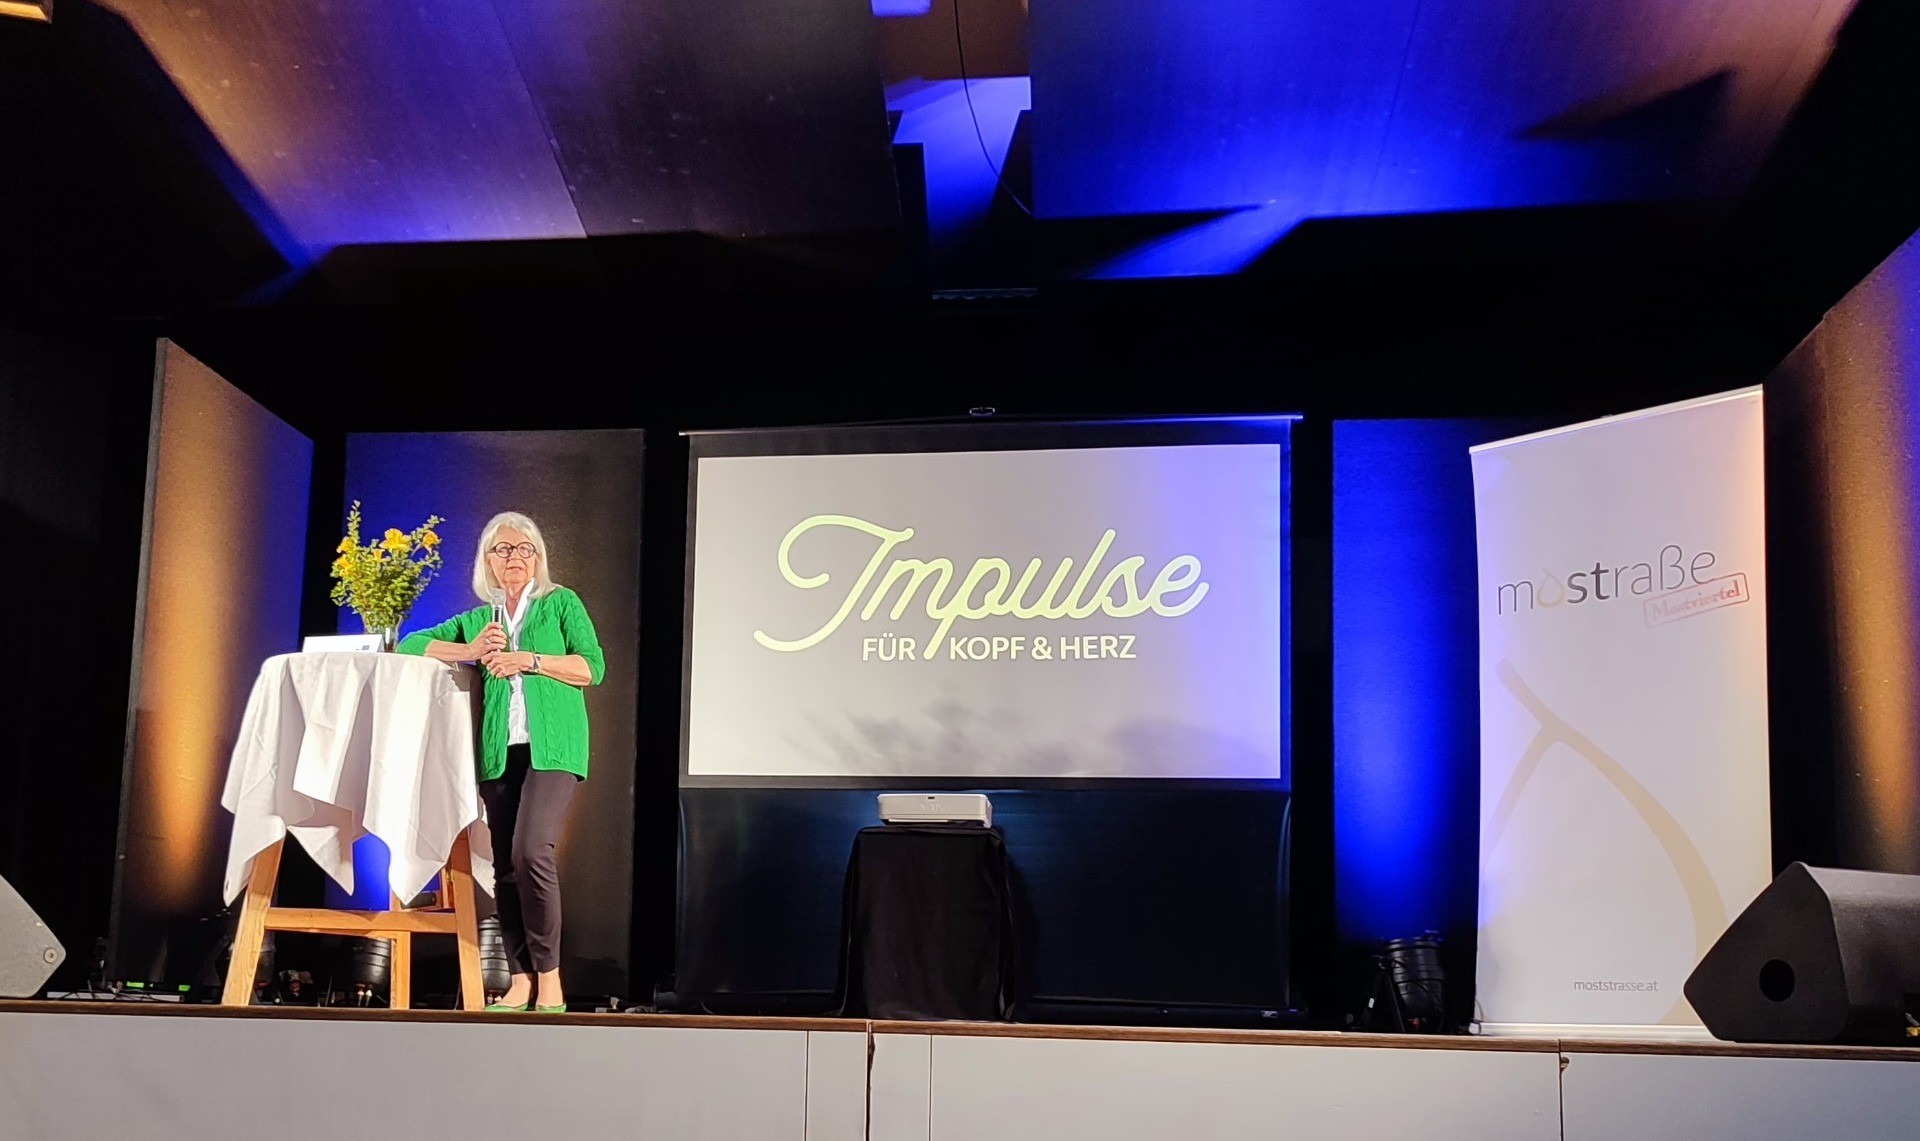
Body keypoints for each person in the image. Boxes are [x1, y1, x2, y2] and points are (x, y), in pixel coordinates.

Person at [398, 511, 605, 1013]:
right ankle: (520, 979)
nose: (515, 557)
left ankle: (550, 979)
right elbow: (410, 644)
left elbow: (591, 667)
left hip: (553, 749)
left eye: (525, 548)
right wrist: (469, 650)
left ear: (538, 558)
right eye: (504, 549)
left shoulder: (560, 603)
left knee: (532, 851)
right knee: (506, 867)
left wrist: (528, 660)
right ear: (487, 561)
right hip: (499, 752)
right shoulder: (480, 619)